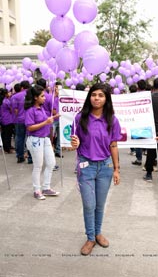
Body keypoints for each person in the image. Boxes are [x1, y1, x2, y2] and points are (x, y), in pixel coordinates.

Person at [70, 83, 121, 256]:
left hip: (106, 167)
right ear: (89, 97)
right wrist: (73, 144)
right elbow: (73, 142)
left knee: (99, 205)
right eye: (94, 95)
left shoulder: (112, 119)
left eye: (101, 95)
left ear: (106, 99)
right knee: (89, 204)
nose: (97, 98)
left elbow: (113, 144)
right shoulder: (80, 118)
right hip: (86, 167)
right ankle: (90, 237)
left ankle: (98, 233)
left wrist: (116, 169)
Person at [24, 84, 60, 200]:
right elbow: (29, 128)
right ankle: (37, 190)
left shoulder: (43, 109)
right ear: (35, 97)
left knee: (51, 163)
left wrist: (54, 118)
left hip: (45, 139)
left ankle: (46, 187)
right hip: (35, 140)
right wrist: (46, 122)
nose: (45, 98)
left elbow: (47, 121)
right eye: (42, 96)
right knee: (38, 165)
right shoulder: (30, 111)